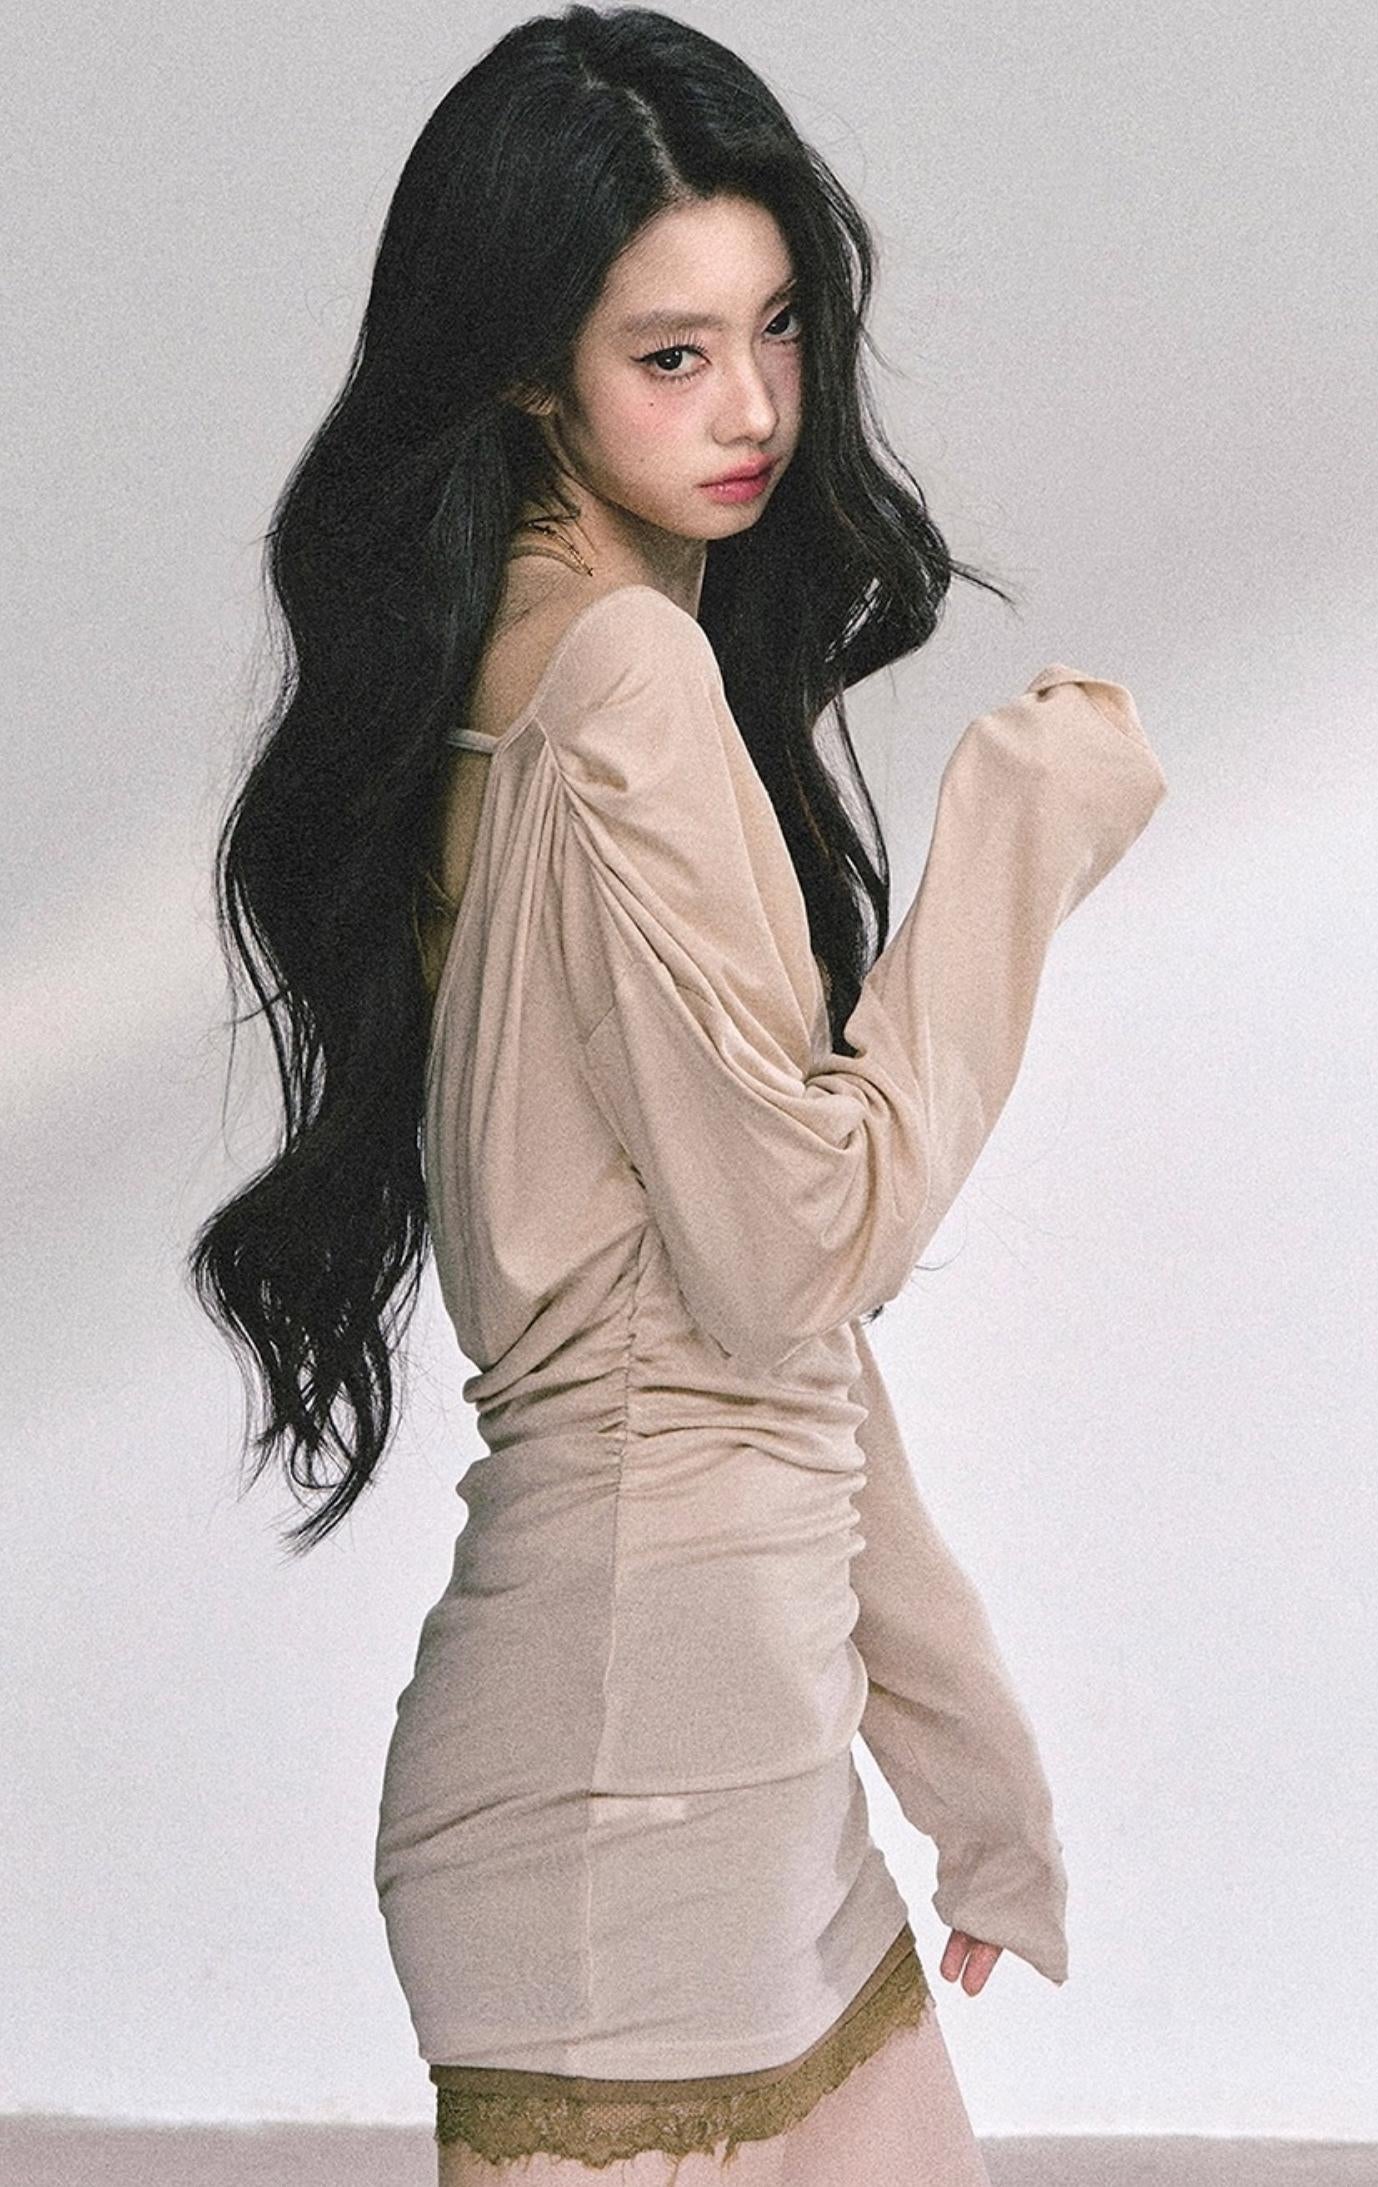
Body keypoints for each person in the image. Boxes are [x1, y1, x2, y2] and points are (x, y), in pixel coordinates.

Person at [189, 7, 1168, 2179]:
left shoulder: (545, 658)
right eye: (671, 353)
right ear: (532, 373)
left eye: (778, 326)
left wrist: (968, 1774)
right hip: (634, 1776)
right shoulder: (618, 675)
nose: (752, 409)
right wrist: (1022, 828)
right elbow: (800, 1251)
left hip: (719, 1749)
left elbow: (762, 1354)